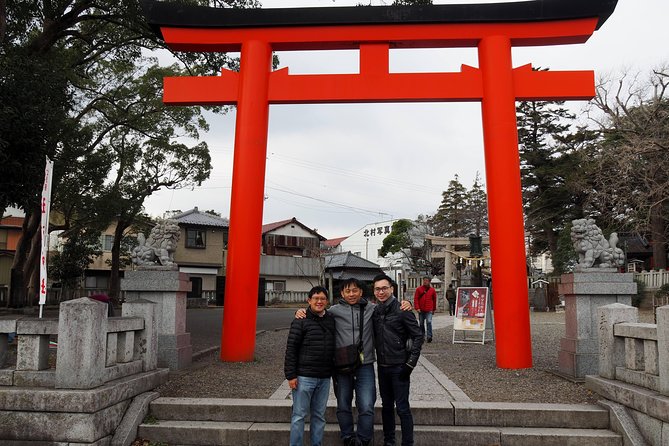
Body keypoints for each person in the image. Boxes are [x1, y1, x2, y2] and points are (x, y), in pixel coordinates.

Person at [295, 279, 412, 446]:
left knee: (366, 405)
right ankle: (347, 437)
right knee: (343, 404)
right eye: (347, 291)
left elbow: (391, 308)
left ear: (361, 292)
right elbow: (317, 311)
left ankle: (363, 439)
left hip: (365, 364)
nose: (351, 294)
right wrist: (301, 311)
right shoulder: (333, 311)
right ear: (342, 293)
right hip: (341, 365)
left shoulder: (373, 309)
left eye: (355, 290)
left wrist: (407, 304)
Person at [372, 274, 423, 446]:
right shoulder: (375, 311)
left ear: (392, 289)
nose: (381, 292)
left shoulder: (402, 309)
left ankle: (407, 443)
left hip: (400, 366)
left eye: (384, 288)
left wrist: (410, 363)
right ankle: (389, 441)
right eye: (377, 289)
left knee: (402, 408)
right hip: (383, 366)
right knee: (386, 407)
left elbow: (418, 336)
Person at [284, 286, 336, 446]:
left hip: (324, 377)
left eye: (322, 299)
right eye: (316, 298)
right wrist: (290, 375)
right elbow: (291, 349)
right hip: (304, 377)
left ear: (327, 301)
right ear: (309, 300)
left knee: (319, 416)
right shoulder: (300, 320)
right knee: (299, 415)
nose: (319, 301)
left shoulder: (331, 319)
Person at [413, 277, 437, 342]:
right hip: (421, 309)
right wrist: (417, 307)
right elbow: (416, 299)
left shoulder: (432, 290)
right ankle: (422, 336)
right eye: (424, 280)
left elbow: (434, 300)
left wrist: (434, 309)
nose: (425, 282)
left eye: (426, 280)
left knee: (429, 322)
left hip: (429, 309)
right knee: (421, 323)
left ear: (429, 282)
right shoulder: (419, 289)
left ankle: (429, 336)